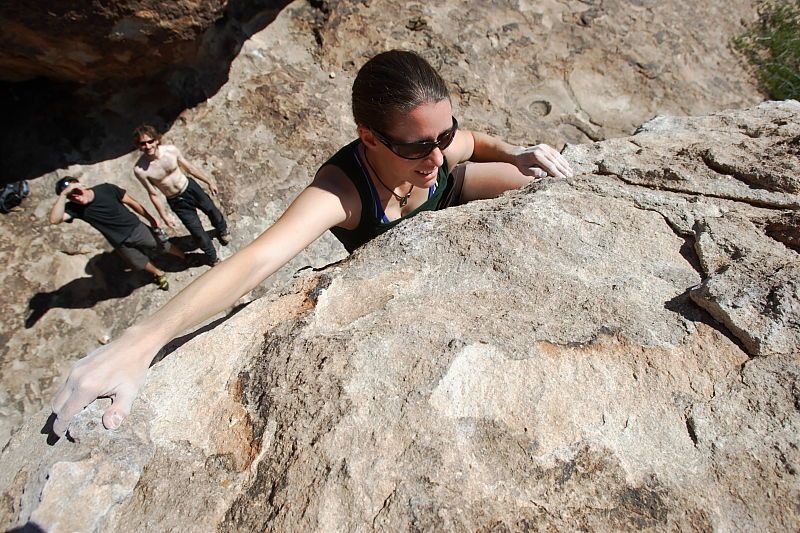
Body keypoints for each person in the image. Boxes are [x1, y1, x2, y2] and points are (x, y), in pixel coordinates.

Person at [50, 50, 573, 437]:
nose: (436, 154)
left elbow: (472, 145)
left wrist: (515, 150)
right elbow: (257, 259)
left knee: (542, 186)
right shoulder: (340, 191)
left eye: (442, 134)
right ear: (370, 137)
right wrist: (142, 340)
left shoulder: (435, 151)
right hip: (398, 257)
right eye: (417, 145)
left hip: (452, 198)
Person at [49, 177, 185, 290]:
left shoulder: (106, 189)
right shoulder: (74, 208)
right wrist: (63, 195)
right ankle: (159, 273)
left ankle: (184, 257)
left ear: (82, 185)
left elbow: (132, 202)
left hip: (135, 228)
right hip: (118, 240)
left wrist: (151, 219)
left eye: (76, 191)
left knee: (162, 244)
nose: (76, 197)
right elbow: (54, 220)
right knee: (138, 262)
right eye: (71, 196)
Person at [132, 125, 230, 265]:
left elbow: (189, 168)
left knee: (211, 210)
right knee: (197, 231)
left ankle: (222, 230)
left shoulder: (171, 151)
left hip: (189, 187)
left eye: (150, 141)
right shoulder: (140, 169)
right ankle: (213, 257)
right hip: (176, 200)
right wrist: (164, 215)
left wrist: (208, 181)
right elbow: (152, 193)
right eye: (143, 143)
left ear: (157, 140)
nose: (147, 146)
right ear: (139, 146)